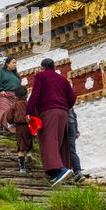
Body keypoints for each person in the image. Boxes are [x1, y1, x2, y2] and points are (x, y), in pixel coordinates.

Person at [27, 58, 76, 187]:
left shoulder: (41, 76)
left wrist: (29, 111)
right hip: (63, 112)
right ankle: (55, 173)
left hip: (49, 111)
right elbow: (72, 98)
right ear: (54, 67)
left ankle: (61, 170)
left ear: (43, 67)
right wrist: (65, 106)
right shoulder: (63, 80)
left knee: (48, 141)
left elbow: (35, 94)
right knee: (58, 141)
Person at [0, 56, 21, 131]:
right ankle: (1, 128)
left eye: (15, 63)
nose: (15, 64)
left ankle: (10, 129)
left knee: (12, 114)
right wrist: (0, 90)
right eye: (13, 63)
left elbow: (19, 86)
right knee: (4, 112)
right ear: (7, 64)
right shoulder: (1, 72)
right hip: (5, 95)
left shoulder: (16, 75)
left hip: (14, 97)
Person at [7, 86, 33, 173]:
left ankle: (22, 167)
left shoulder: (14, 105)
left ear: (16, 96)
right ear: (26, 95)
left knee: (21, 147)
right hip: (29, 126)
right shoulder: (29, 104)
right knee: (29, 141)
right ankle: (29, 153)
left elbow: (9, 117)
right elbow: (35, 113)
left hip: (19, 127)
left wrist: (11, 122)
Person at [68, 108, 84, 183]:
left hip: (66, 124)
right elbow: (74, 116)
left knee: (66, 149)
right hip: (72, 125)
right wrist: (76, 130)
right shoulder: (69, 102)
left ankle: (75, 172)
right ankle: (77, 171)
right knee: (72, 150)